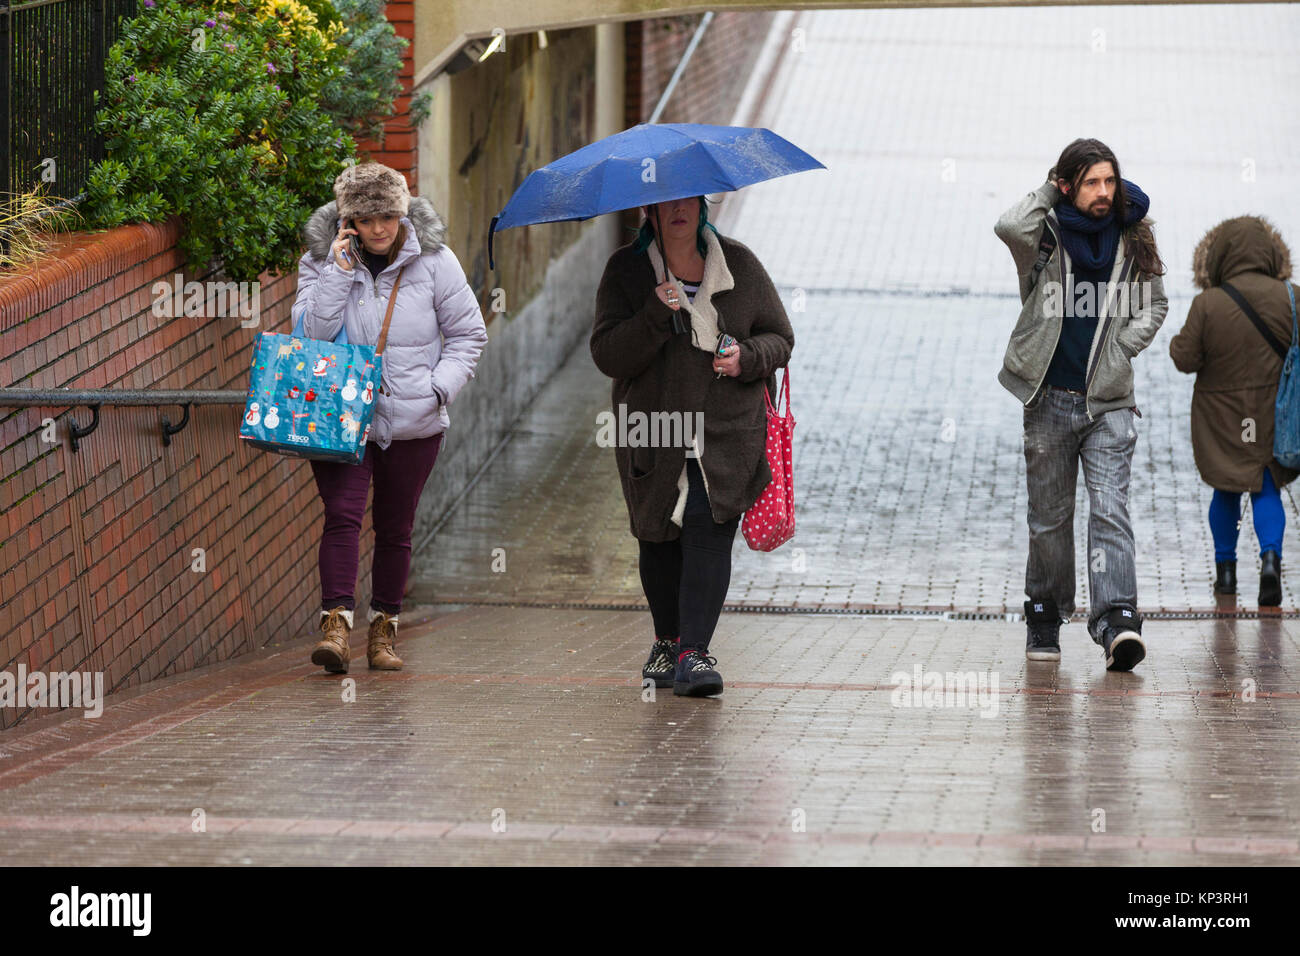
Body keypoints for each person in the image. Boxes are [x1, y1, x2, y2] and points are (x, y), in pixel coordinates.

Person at [592, 195, 793, 696]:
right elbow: (608, 355)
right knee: (657, 534)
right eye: (665, 203)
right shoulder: (626, 270)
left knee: (709, 526)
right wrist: (654, 314)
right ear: (648, 213)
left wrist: (746, 357)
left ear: (701, 207)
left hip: (726, 429)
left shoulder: (739, 264)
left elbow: (780, 338)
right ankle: (666, 640)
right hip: (652, 429)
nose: (678, 209)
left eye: (687, 200)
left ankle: (694, 654)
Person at [292, 162, 488, 673]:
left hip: (414, 422)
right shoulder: (319, 262)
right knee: (342, 516)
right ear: (346, 221)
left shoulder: (437, 262)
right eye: (365, 218)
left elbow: (469, 335)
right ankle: (335, 628)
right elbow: (310, 334)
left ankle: (383, 633)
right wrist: (337, 272)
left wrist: (436, 390)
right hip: (340, 420)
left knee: (396, 528)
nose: (378, 229)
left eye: (387, 216)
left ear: (403, 213)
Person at [993, 139, 1168, 671]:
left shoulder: (1133, 232)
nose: (1104, 192)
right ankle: (1045, 615)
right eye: (1091, 182)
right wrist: (1051, 188)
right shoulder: (1045, 233)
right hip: (1047, 397)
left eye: (1110, 181)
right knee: (1049, 517)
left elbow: (1155, 303)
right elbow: (1006, 225)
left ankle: (1117, 620)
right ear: (1070, 184)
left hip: (1108, 403)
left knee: (1110, 509)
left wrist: (1121, 348)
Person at [1169, 216, 1299, 605]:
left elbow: (1184, 358)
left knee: (1226, 486)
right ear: (1271, 252)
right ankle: (1270, 559)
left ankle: (1225, 574)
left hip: (1223, 418)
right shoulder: (1292, 296)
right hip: (1271, 413)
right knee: (1265, 484)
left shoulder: (1208, 303)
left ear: (1220, 255)